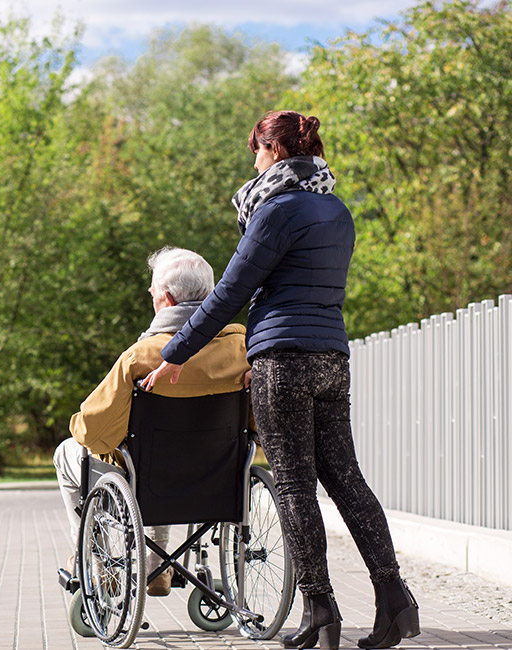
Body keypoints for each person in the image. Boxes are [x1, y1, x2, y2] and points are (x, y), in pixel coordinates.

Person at [142, 111, 419, 649]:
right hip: (331, 358)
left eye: (256, 151)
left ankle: (320, 610)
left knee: (294, 484)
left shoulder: (275, 210)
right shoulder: (337, 210)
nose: (253, 162)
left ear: (272, 152)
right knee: (347, 479)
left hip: (282, 361)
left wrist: (176, 353)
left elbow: (229, 292)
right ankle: (395, 601)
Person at [53, 247, 250, 597]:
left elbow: (92, 431)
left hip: (150, 479)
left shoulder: (143, 356)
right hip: (218, 478)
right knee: (159, 459)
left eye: (153, 295)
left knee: (70, 451)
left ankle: (97, 565)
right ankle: (157, 567)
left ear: (168, 299)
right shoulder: (244, 348)